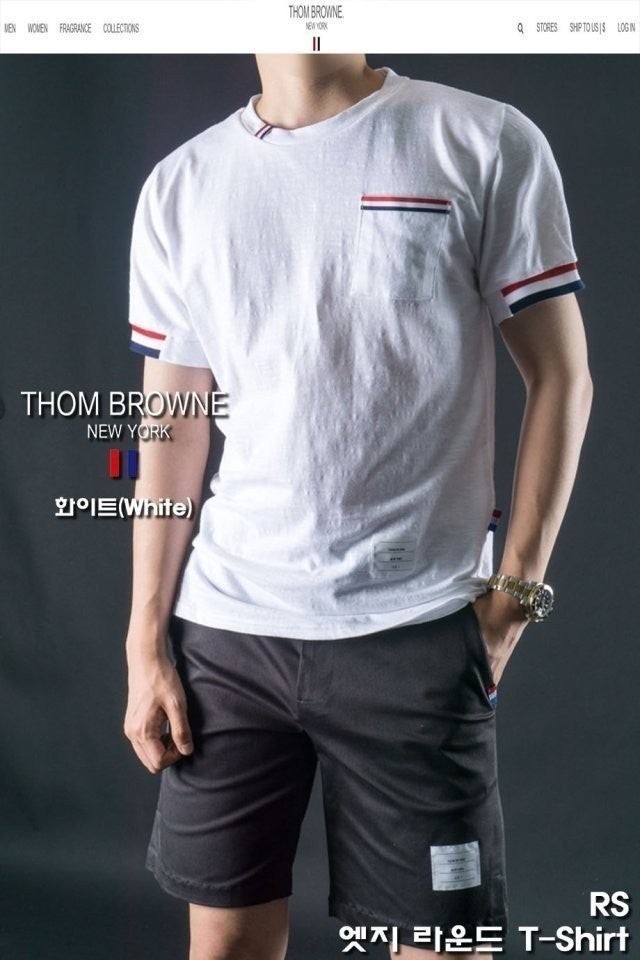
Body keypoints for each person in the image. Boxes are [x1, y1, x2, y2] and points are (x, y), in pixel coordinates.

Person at [123, 54, 592, 960]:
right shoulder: (182, 185)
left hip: (415, 633)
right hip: (227, 638)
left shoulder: (481, 140)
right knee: (225, 948)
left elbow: (563, 377)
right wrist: (145, 645)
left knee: (443, 948)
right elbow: (171, 428)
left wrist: (513, 600)